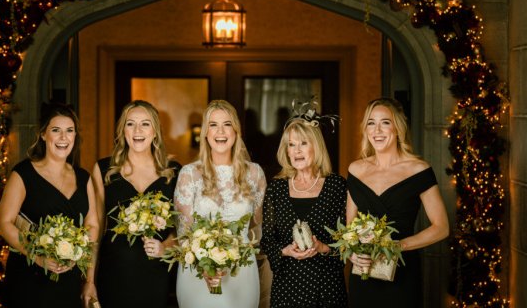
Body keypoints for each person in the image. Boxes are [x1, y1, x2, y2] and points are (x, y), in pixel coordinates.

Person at [347, 97, 449, 308]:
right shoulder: (355, 170)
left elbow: (442, 228)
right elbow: (349, 229)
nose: (377, 130)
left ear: (397, 128)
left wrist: (397, 246)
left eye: (385, 122)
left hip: (403, 274)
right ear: (365, 130)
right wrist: (353, 255)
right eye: (371, 123)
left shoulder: (418, 170)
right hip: (364, 277)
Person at [0, 103, 99, 308]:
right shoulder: (23, 173)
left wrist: (89, 281)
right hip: (28, 280)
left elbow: (93, 227)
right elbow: (4, 223)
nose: (64, 137)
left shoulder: (84, 178)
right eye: (56, 130)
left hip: (68, 282)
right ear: (43, 135)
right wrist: (37, 257)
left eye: (69, 131)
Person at [174, 100, 267, 308]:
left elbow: (257, 229)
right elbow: (184, 234)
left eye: (227, 124)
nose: (220, 131)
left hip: (241, 272)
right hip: (198, 273)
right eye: (213, 125)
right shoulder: (189, 174)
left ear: (236, 131)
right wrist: (205, 264)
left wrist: (237, 252)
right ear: (205, 133)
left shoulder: (255, 173)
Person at [92, 100, 180, 308]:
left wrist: (164, 248)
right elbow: (94, 229)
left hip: (156, 276)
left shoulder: (174, 172)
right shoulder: (104, 170)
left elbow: (183, 230)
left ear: (155, 131)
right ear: (123, 130)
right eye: (130, 124)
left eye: (145, 124)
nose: (137, 130)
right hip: (114, 274)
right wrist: (89, 281)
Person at [261, 112, 347, 307]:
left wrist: (323, 247)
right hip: (287, 288)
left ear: (316, 147)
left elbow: (348, 240)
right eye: (291, 145)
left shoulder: (337, 186)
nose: (297, 150)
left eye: (303, 143)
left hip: (327, 287)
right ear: (287, 151)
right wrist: (285, 251)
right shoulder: (276, 188)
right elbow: (266, 238)